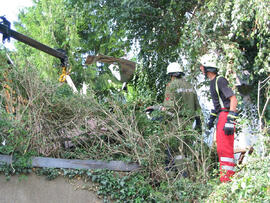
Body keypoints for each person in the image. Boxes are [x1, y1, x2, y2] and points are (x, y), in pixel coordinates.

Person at [199, 53, 238, 183]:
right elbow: (217, 106)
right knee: (221, 149)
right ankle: (225, 179)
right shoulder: (212, 83)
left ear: (207, 68)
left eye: (202, 66)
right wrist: (211, 120)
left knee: (225, 149)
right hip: (221, 116)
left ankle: (228, 181)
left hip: (226, 116)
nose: (200, 68)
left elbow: (233, 99)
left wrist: (230, 120)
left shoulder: (220, 80)